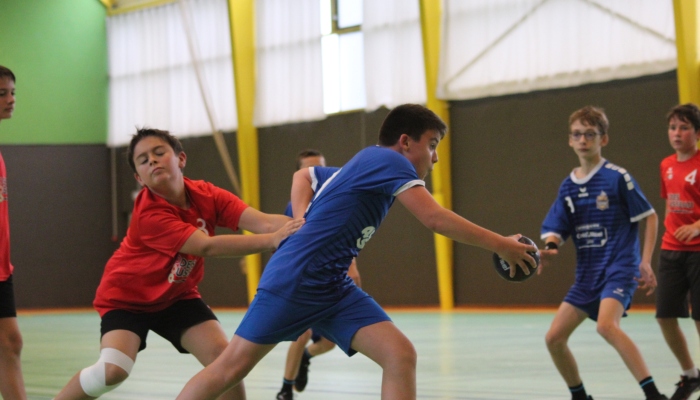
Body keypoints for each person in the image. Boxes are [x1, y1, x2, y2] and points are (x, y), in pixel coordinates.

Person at [175, 103, 538, 400]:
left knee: (399, 354)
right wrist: (503, 245)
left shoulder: (362, 165)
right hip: (298, 277)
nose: (435, 157)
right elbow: (435, 219)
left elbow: (306, 176)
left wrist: (303, 219)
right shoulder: (388, 161)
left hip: (333, 285)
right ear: (406, 142)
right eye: (432, 144)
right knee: (231, 368)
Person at [54, 128, 303, 400]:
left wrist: (310, 224)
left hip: (177, 296)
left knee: (225, 361)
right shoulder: (149, 213)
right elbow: (207, 246)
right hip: (126, 299)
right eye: (143, 159)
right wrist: (273, 240)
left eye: (159, 152)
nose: (152, 160)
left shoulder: (207, 194)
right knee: (113, 371)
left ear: (181, 158)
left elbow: (265, 222)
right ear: (139, 177)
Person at [539, 106, 666, 400]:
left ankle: (653, 394)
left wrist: (644, 261)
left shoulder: (617, 177)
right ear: (570, 140)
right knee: (554, 338)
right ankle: (580, 396)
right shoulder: (568, 186)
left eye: (590, 134)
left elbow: (649, 216)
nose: (583, 140)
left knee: (607, 326)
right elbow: (557, 226)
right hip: (587, 275)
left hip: (620, 267)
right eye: (577, 134)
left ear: (603, 139)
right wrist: (551, 247)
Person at [275, 149, 362, 400]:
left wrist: (352, 269)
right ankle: (285, 389)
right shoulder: (295, 207)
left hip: (331, 281)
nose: (318, 176)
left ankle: (305, 358)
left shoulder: (335, 200)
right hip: (303, 281)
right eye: (310, 170)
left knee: (329, 343)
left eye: (321, 169)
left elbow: (343, 239)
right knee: (300, 334)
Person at [656, 103, 700, 400]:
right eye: (673, 127)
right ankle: (690, 375)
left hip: (698, 251)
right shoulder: (666, 164)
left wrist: (698, 226)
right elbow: (669, 202)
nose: (677, 133)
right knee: (664, 316)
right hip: (671, 250)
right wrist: (668, 229)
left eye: (684, 127)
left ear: (696, 133)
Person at [0, 65, 28, 400]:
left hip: (2, 271)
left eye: (12, 92)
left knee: (10, 343)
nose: (11, 100)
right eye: (2, 94)